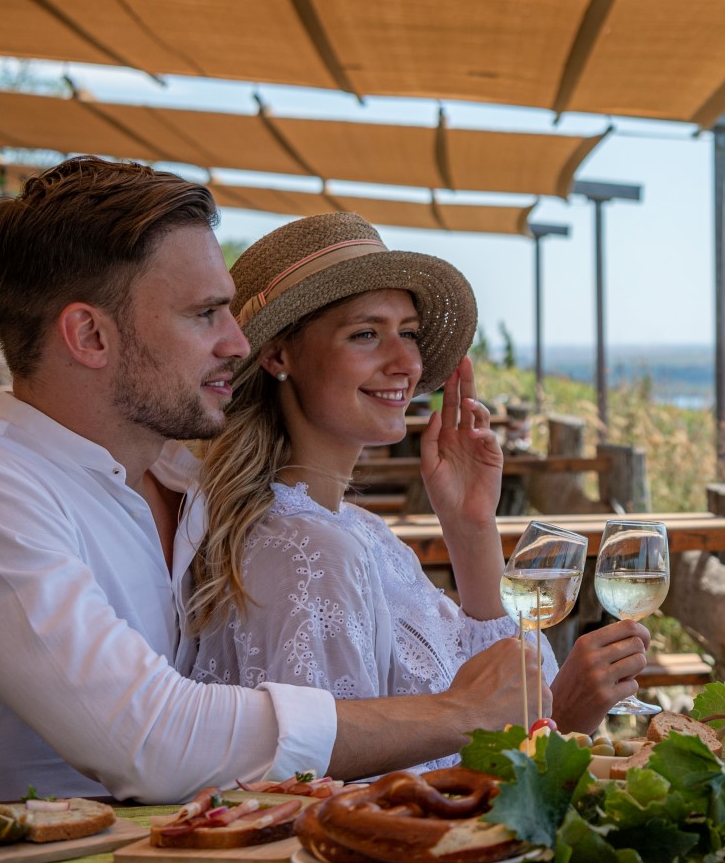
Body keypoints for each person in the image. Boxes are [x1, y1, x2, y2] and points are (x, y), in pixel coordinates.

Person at [0, 158, 526, 804]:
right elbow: (149, 737)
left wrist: (471, 530)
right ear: (89, 335)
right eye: (206, 313)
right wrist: (460, 712)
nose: (239, 342)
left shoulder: (187, 491)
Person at [184, 211, 648, 752]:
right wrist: (564, 717)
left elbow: (492, 693)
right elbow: (346, 795)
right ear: (279, 355)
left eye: (408, 333)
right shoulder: (311, 553)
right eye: (365, 334)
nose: (406, 361)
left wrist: (471, 525)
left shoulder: (358, 531)